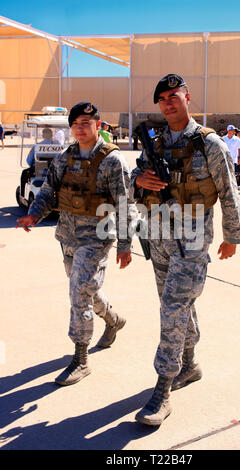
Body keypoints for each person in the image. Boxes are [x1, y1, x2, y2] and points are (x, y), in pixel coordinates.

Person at [130, 74, 240, 426]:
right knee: (178, 307)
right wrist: (140, 180)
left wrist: (232, 236)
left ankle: (163, 388)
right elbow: (136, 177)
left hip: (192, 240)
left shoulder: (210, 144)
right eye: (163, 98)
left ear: (187, 98)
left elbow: (229, 191)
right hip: (158, 237)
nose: (168, 102)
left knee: (171, 309)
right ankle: (190, 364)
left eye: (174, 96)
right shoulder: (156, 142)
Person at [16, 102, 136, 386]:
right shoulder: (64, 158)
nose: (81, 128)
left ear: (98, 124)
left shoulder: (112, 161)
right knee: (85, 288)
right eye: (76, 123)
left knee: (78, 292)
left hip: (97, 238)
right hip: (68, 236)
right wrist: (34, 213)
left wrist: (125, 243)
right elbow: (48, 191)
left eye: (87, 122)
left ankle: (80, 358)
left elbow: (125, 203)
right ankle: (113, 319)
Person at [20, 128, 59, 197]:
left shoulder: (37, 146)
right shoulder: (59, 146)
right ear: (52, 135)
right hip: (56, 172)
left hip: (39, 172)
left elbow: (28, 162)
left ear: (43, 135)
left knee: (24, 173)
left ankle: (22, 195)